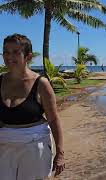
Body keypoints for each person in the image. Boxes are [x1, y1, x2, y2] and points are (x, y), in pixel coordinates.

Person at [0, 34, 65, 179]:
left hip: (35, 146)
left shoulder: (41, 84)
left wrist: (60, 153)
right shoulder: (0, 81)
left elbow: (53, 120)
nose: (9, 57)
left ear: (28, 57)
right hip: (4, 146)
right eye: (6, 52)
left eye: (16, 52)